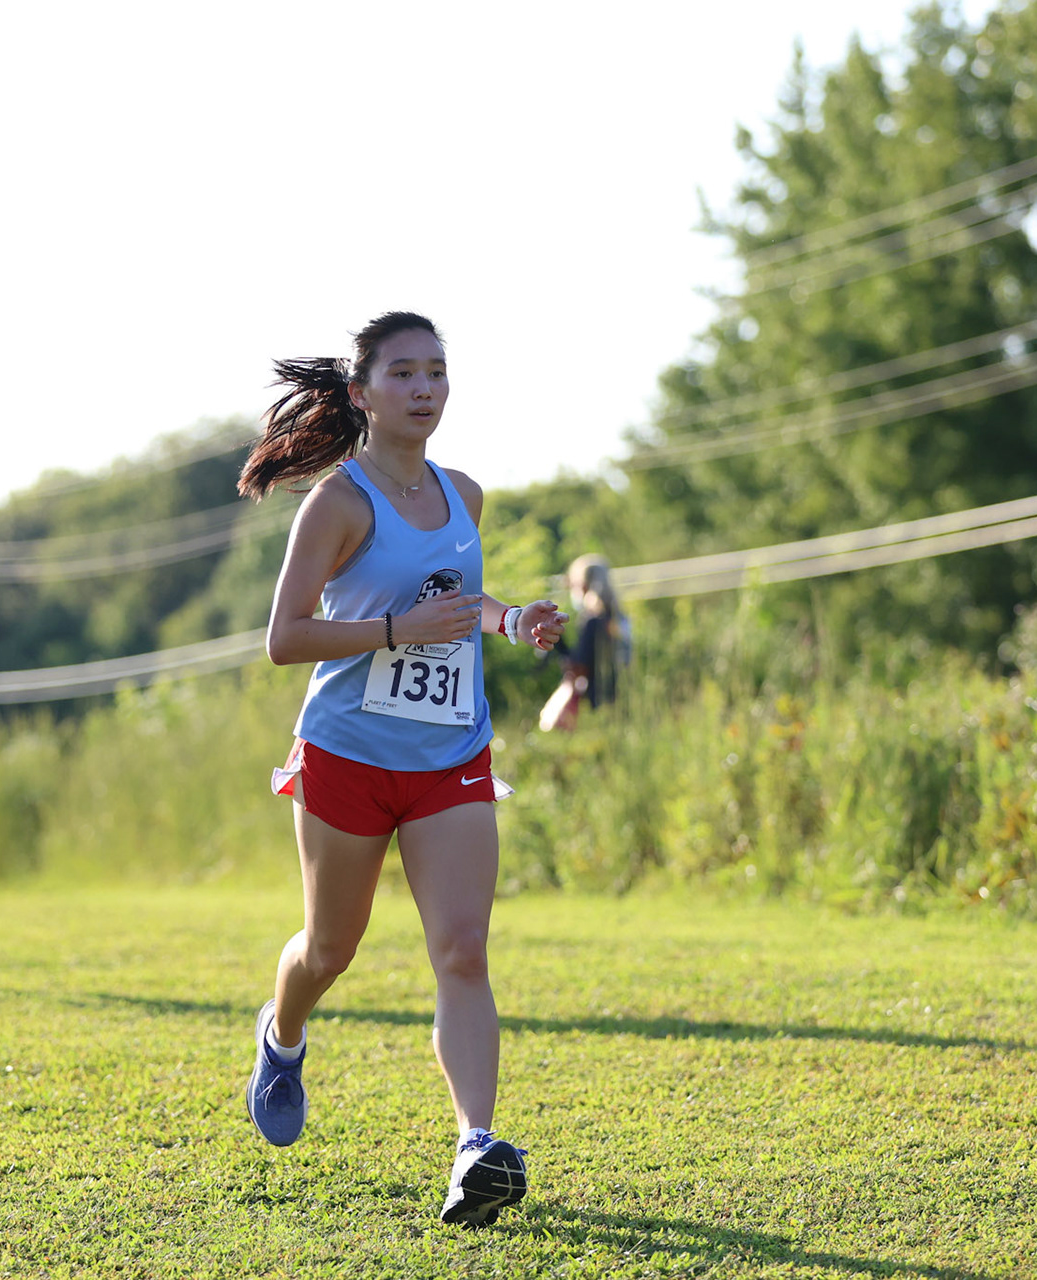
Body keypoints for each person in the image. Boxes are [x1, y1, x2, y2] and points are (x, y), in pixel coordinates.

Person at [237, 312, 566, 1226]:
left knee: (462, 949)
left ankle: (475, 1148)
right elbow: (284, 638)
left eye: (437, 372)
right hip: (347, 754)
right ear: (362, 393)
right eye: (404, 373)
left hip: (450, 753)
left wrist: (511, 620)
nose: (425, 389)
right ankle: (283, 1033)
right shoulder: (337, 504)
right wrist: (393, 631)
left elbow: (456, 600)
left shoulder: (464, 494)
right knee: (330, 950)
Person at [541, 553, 631, 731]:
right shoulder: (618, 617)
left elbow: (580, 666)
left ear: (584, 585)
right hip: (621, 694)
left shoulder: (592, 620)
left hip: (596, 698)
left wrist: (558, 643)